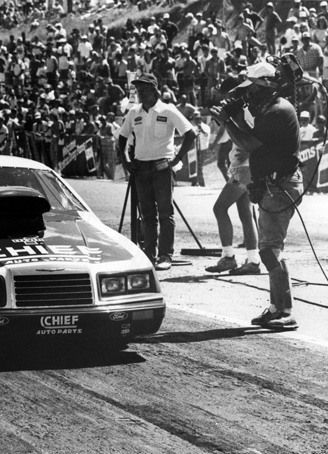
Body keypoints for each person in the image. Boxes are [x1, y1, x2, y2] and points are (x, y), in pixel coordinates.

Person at [211, 61, 303, 330]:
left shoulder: (277, 111)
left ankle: (285, 311)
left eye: (252, 88)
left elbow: (249, 143)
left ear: (266, 86)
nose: (248, 94)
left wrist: (228, 121)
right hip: (276, 184)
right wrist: (236, 118)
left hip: (280, 186)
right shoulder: (274, 108)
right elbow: (253, 136)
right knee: (270, 248)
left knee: (270, 249)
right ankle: (277, 308)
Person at [117, 73, 196, 271]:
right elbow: (122, 137)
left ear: (154, 90)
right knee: (147, 215)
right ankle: (148, 255)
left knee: (165, 213)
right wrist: (126, 160)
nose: (140, 93)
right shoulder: (134, 112)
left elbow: (190, 133)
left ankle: (165, 255)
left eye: (144, 89)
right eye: (138, 90)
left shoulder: (168, 110)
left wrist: (177, 159)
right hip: (140, 169)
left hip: (162, 168)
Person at [205, 76, 261, 276]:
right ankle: (253, 260)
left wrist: (247, 152)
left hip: (245, 168)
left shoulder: (241, 110)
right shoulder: (241, 108)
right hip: (244, 167)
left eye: (224, 94)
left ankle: (228, 257)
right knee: (246, 213)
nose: (222, 98)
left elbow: (249, 135)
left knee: (220, 208)